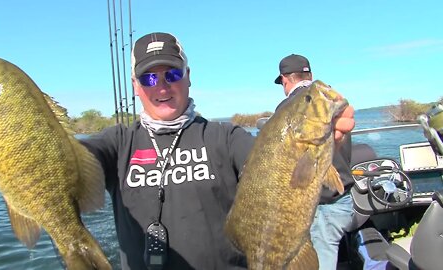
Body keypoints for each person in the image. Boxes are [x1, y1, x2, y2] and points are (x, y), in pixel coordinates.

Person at [81, 32, 355, 270]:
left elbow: (297, 181)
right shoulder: (116, 143)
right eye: (149, 77)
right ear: (135, 86)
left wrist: (332, 143)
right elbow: (65, 167)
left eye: (173, 74)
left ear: (188, 77)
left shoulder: (226, 137)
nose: (162, 86)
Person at [274, 54, 355, 270]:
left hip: (323, 208)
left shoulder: (287, 108)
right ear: (309, 74)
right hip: (346, 201)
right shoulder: (330, 101)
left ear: (284, 79)